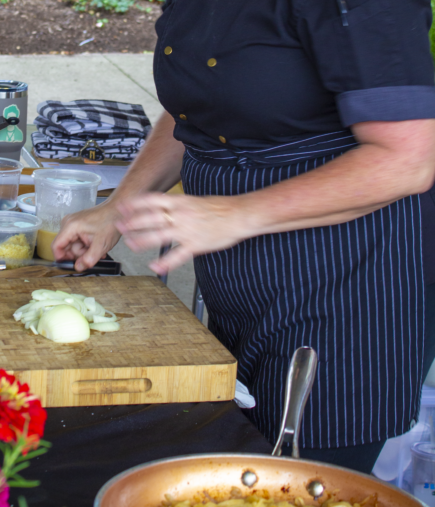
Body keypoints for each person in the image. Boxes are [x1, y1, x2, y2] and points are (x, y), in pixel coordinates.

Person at [52, 0, 435, 473]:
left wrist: (237, 213)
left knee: (292, 480)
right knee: (232, 452)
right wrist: (118, 206)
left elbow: (407, 159)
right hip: (240, 278)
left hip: (345, 288)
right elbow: (196, 109)